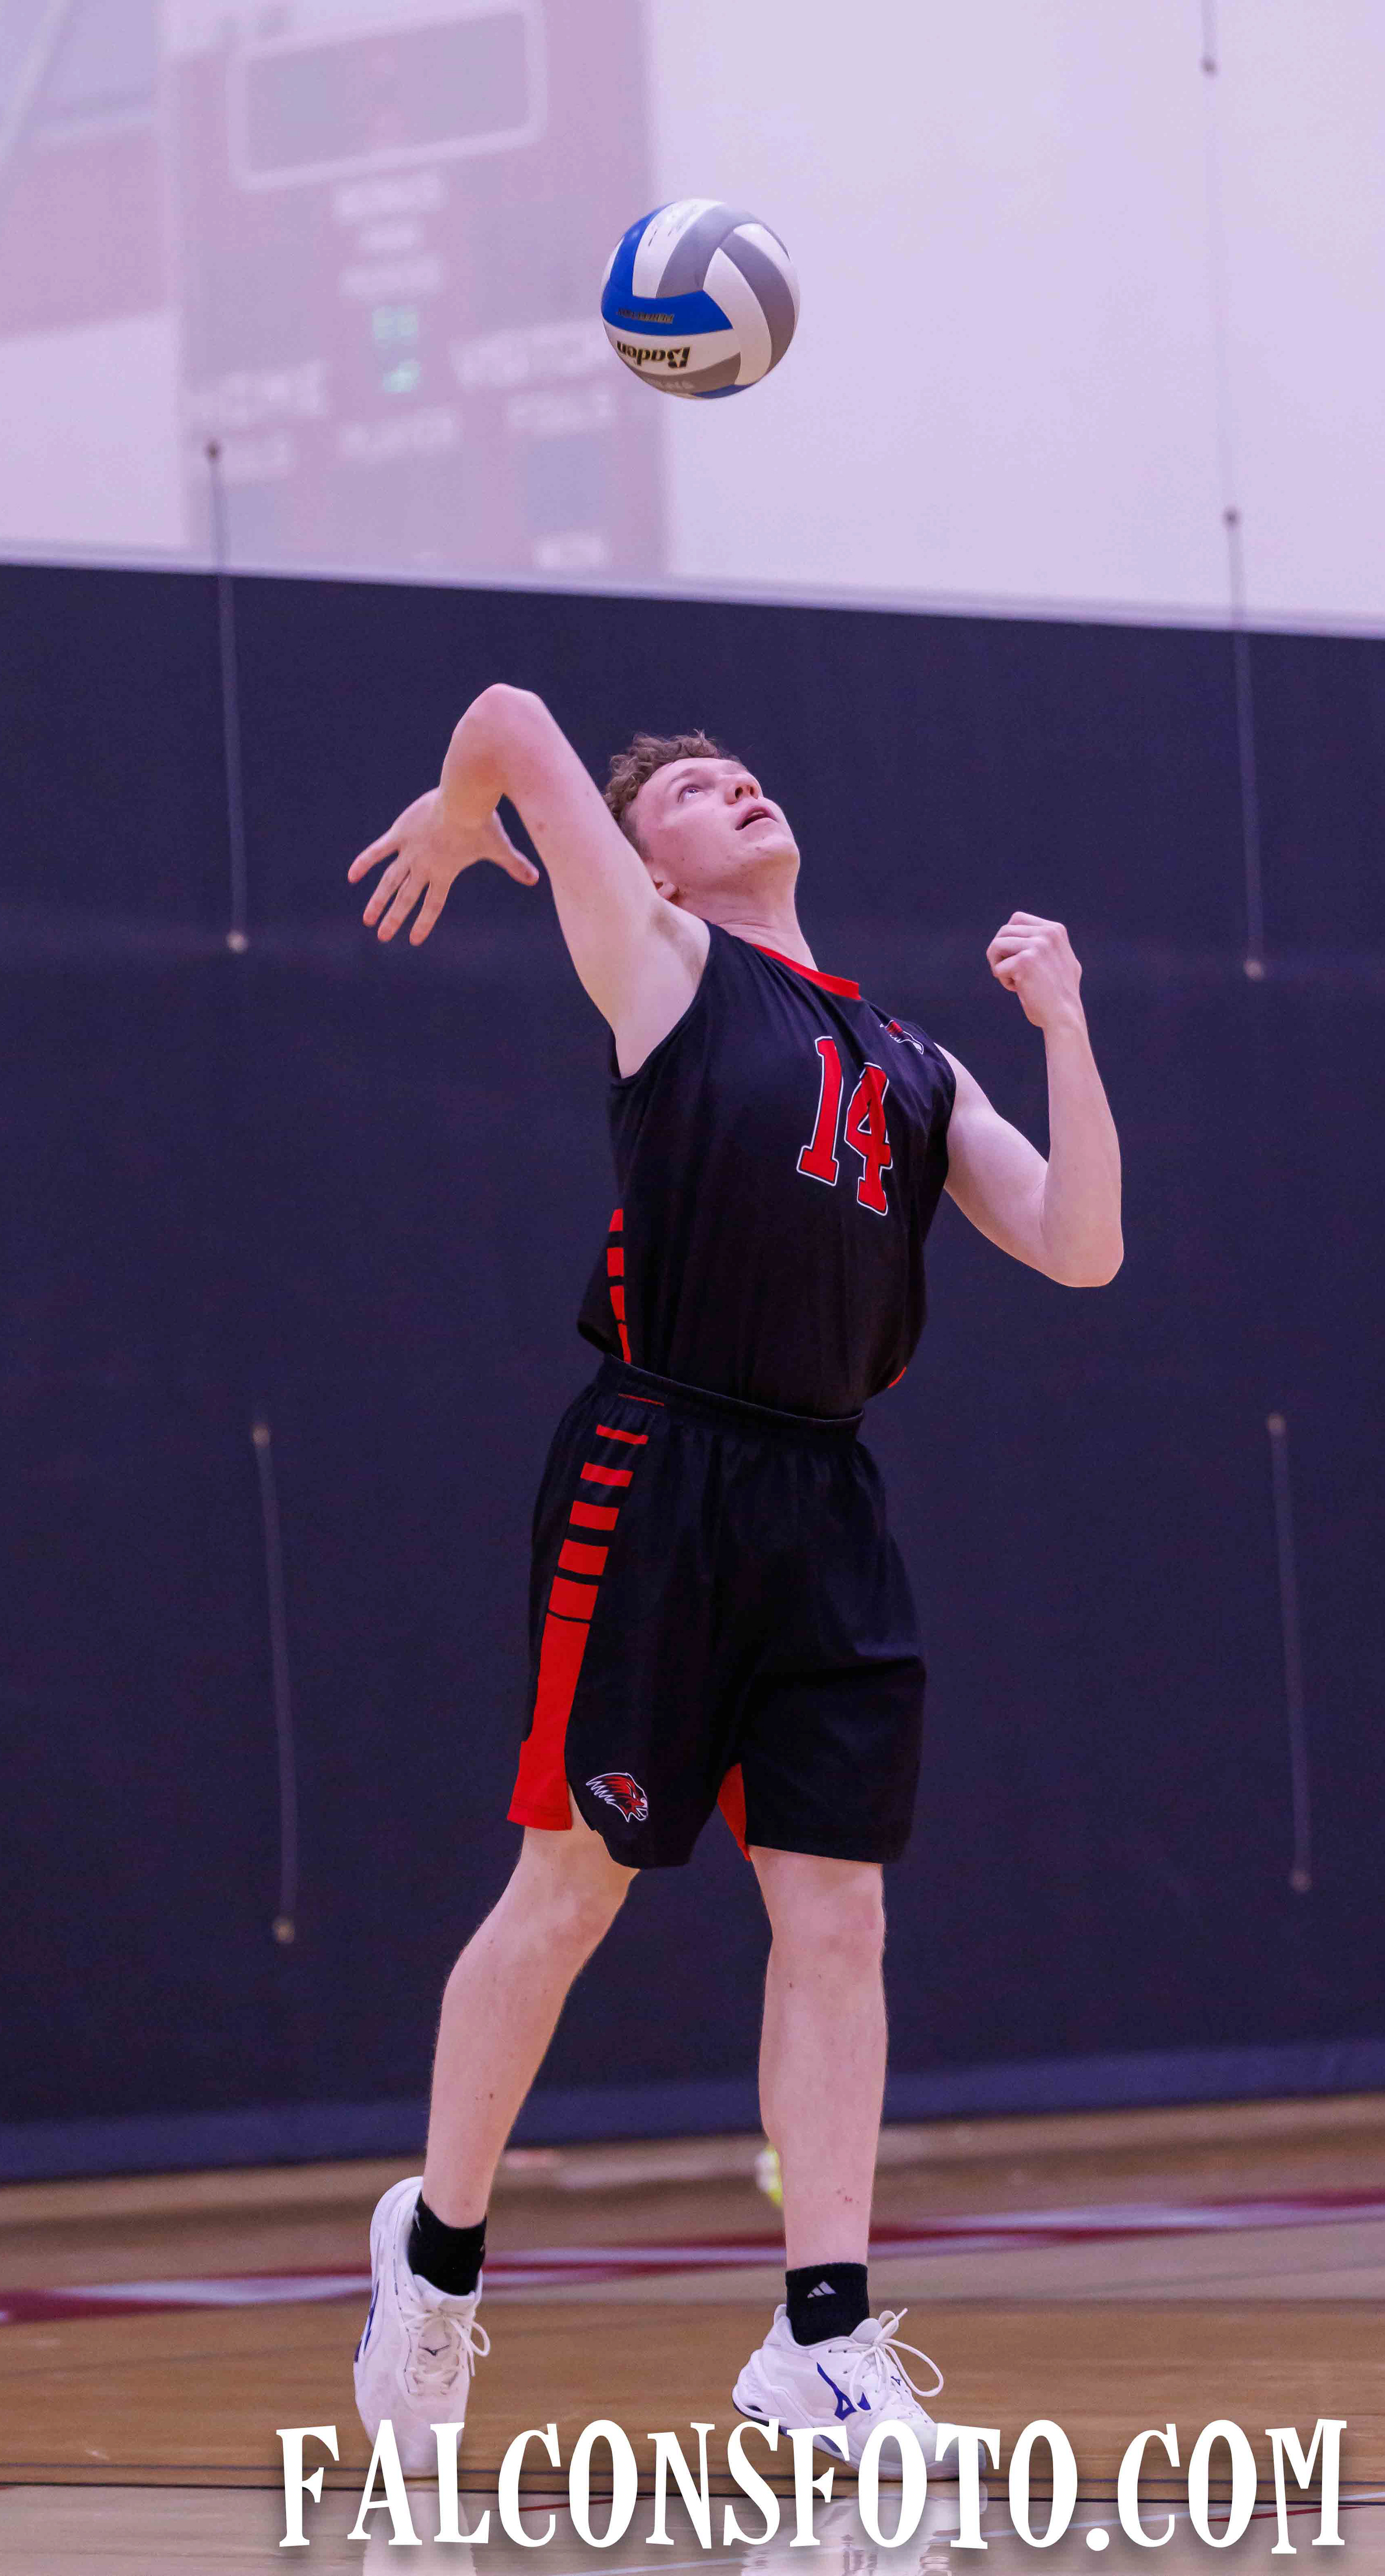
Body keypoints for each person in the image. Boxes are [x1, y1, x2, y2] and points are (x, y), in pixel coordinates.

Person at [345, 691, 1123, 2475]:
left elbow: (1082, 1246)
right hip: (661, 1464)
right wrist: (465, 810)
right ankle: (435, 2259)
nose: (734, 786)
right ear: (654, 867)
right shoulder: (666, 968)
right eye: (691, 790)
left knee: (838, 1916)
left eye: (740, 770)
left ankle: (822, 2337)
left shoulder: (915, 1060)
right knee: (572, 1886)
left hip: (825, 1497)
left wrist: (1068, 1025)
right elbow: (508, 719)